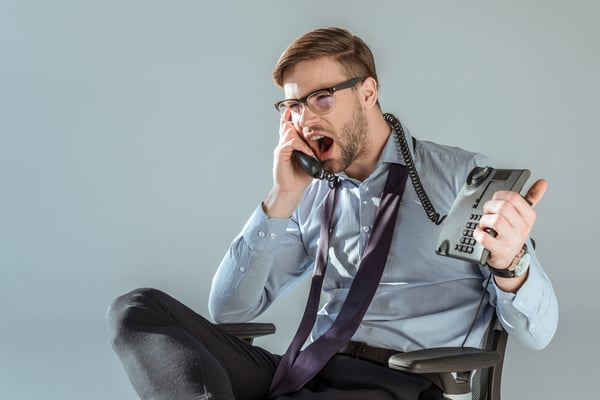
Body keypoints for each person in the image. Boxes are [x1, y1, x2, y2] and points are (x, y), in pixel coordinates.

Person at [107, 27, 558, 400]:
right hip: (308, 373)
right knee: (136, 308)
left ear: (368, 92)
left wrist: (510, 264)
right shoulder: (310, 192)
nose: (305, 119)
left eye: (321, 98)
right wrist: (282, 196)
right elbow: (229, 311)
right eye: (292, 106)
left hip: (404, 383)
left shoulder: (460, 175)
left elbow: (539, 332)